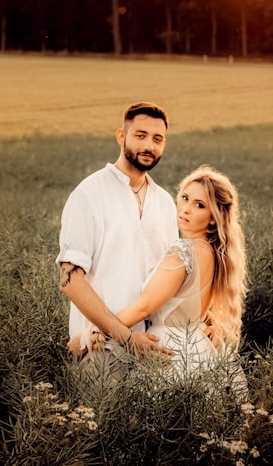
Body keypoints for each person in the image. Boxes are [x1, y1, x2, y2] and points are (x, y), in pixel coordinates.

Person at [72, 165, 249, 390]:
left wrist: (90, 335)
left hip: (168, 352)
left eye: (200, 205)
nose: (186, 209)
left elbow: (144, 308)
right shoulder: (215, 254)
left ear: (213, 218)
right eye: (185, 198)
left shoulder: (182, 252)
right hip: (198, 348)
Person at [57, 102, 179, 370]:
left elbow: (174, 278)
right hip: (99, 351)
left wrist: (209, 320)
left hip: (154, 347)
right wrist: (125, 336)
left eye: (157, 139)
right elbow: (70, 281)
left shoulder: (165, 203)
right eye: (140, 135)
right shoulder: (89, 194)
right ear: (121, 137)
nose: (149, 145)